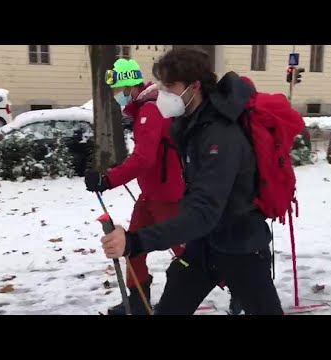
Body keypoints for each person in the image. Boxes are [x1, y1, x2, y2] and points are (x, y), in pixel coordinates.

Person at [100, 48, 284, 315]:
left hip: (241, 247)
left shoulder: (220, 136)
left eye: (170, 85)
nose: (162, 92)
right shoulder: (193, 126)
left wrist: (135, 241)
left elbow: (204, 211)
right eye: (162, 84)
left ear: (194, 86)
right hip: (205, 246)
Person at [85, 58, 185, 315]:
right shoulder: (145, 108)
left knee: (190, 253)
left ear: (129, 85)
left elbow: (144, 158)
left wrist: (108, 179)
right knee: (132, 247)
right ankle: (138, 302)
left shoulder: (150, 111)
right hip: (152, 195)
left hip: (167, 196)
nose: (117, 96)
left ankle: (238, 286)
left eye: (118, 90)